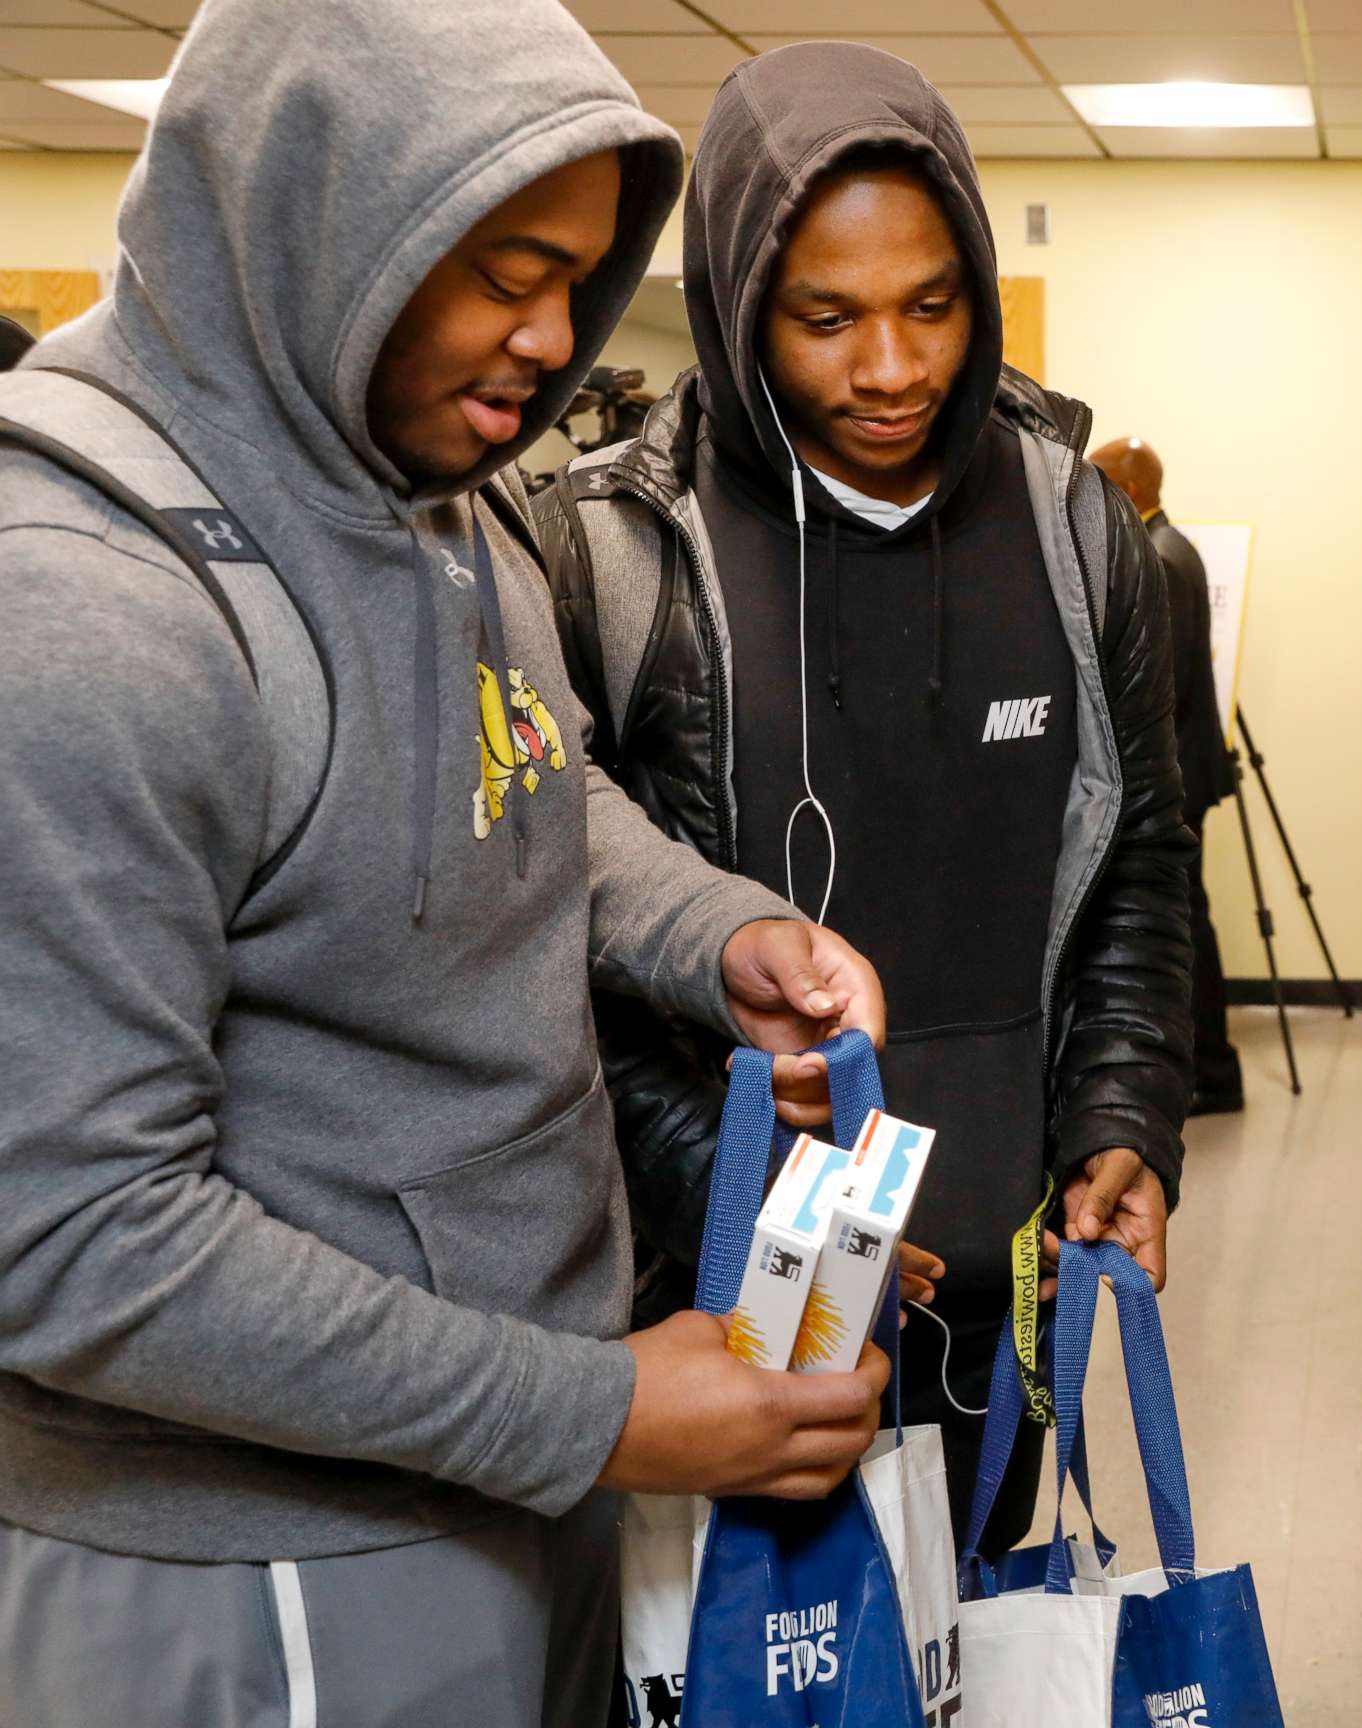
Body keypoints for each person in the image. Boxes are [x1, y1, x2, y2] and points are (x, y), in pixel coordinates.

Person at [0, 3, 900, 1721]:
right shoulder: (79, 602)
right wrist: (601, 1412)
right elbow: (68, 1236)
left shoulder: (436, 482)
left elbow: (528, 783)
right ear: (316, 221)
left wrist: (716, 933)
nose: (550, 341)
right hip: (251, 1557)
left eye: (577, 275)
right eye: (497, 271)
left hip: (504, 1464)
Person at [533, 42, 1196, 1556]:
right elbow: (560, 946)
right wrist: (742, 1189)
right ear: (737, 303)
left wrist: (1124, 1114)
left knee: (963, 1654)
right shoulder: (613, 553)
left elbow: (1140, 861)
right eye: (826, 320)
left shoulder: (1081, 531)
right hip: (716, 1306)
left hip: (1002, 1286)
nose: (892, 369)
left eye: (933, 306)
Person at [1090, 436, 1244, 1113]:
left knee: (1182, 924)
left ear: (1125, 492)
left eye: (1095, 488)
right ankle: (1205, 1066)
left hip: (1175, 780)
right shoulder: (1172, 547)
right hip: (1186, 773)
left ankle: (1212, 1070)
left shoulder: (1157, 558)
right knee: (1187, 918)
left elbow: (1158, 691)